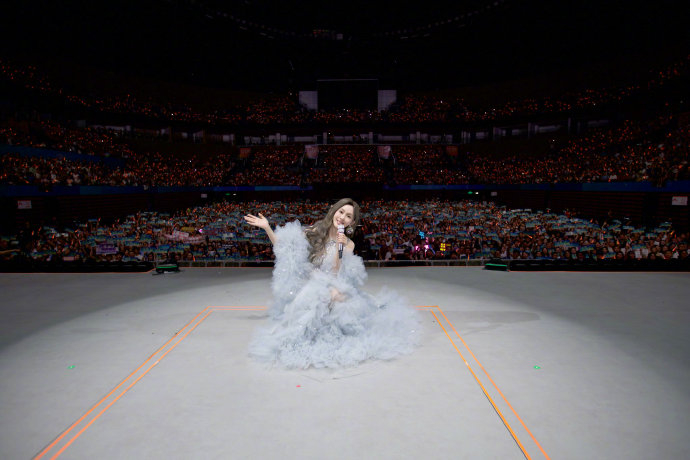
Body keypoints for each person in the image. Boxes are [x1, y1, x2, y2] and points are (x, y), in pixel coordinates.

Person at [243, 198, 420, 369]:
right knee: (317, 300)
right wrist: (267, 228)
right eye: (341, 212)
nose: (342, 217)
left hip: (332, 283)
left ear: (352, 222)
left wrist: (339, 248)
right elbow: (286, 250)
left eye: (348, 216)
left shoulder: (348, 244)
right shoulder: (315, 231)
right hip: (308, 283)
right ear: (334, 211)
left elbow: (336, 272)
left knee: (341, 299)